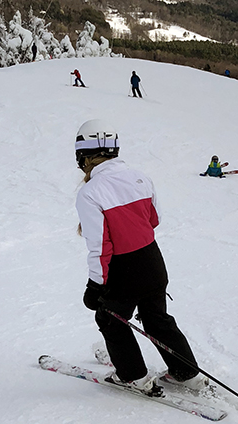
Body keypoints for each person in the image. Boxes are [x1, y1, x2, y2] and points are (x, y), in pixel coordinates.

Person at [74, 120, 202, 396]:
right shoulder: (140, 177)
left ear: (83, 155)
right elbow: (153, 220)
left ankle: (133, 376)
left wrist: (95, 286)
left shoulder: (90, 192)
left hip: (123, 268)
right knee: (157, 318)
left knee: (110, 319)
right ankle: (186, 372)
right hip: (153, 261)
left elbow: (100, 247)